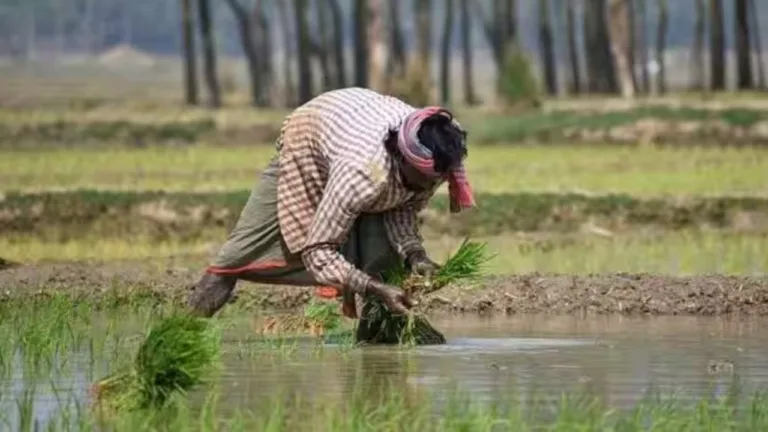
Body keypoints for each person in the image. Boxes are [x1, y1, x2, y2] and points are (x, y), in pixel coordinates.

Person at [186, 87, 475, 320]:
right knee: (235, 257)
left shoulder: (438, 148)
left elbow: (404, 205)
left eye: (434, 180)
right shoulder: (361, 173)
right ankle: (183, 332)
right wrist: (372, 288)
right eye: (423, 179)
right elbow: (319, 252)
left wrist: (416, 255)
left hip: (354, 123)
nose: (429, 187)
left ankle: (381, 351)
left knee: (387, 262)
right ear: (400, 158)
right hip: (309, 139)